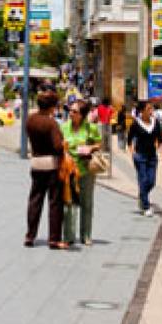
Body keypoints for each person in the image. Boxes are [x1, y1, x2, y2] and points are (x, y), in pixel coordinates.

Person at [25, 90, 67, 249]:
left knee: (35, 200)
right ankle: (54, 239)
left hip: (36, 163)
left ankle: (30, 235)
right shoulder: (51, 123)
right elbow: (57, 146)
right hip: (51, 165)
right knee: (55, 202)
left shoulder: (30, 120)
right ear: (51, 106)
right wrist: (64, 145)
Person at [61, 100, 101, 246]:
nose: (70, 113)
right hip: (69, 170)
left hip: (86, 170)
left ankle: (86, 235)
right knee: (69, 203)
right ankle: (69, 236)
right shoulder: (64, 127)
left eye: (74, 111)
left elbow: (99, 143)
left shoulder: (91, 128)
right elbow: (60, 145)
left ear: (83, 115)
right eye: (70, 110)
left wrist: (91, 148)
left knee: (86, 203)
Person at [127, 101, 162, 217]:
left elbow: (160, 139)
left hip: (152, 157)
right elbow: (129, 140)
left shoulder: (156, 123)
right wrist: (132, 153)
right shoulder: (136, 124)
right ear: (142, 111)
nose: (151, 111)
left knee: (151, 181)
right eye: (148, 109)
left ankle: (142, 196)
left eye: (152, 109)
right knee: (143, 180)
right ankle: (146, 206)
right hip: (140, 156)